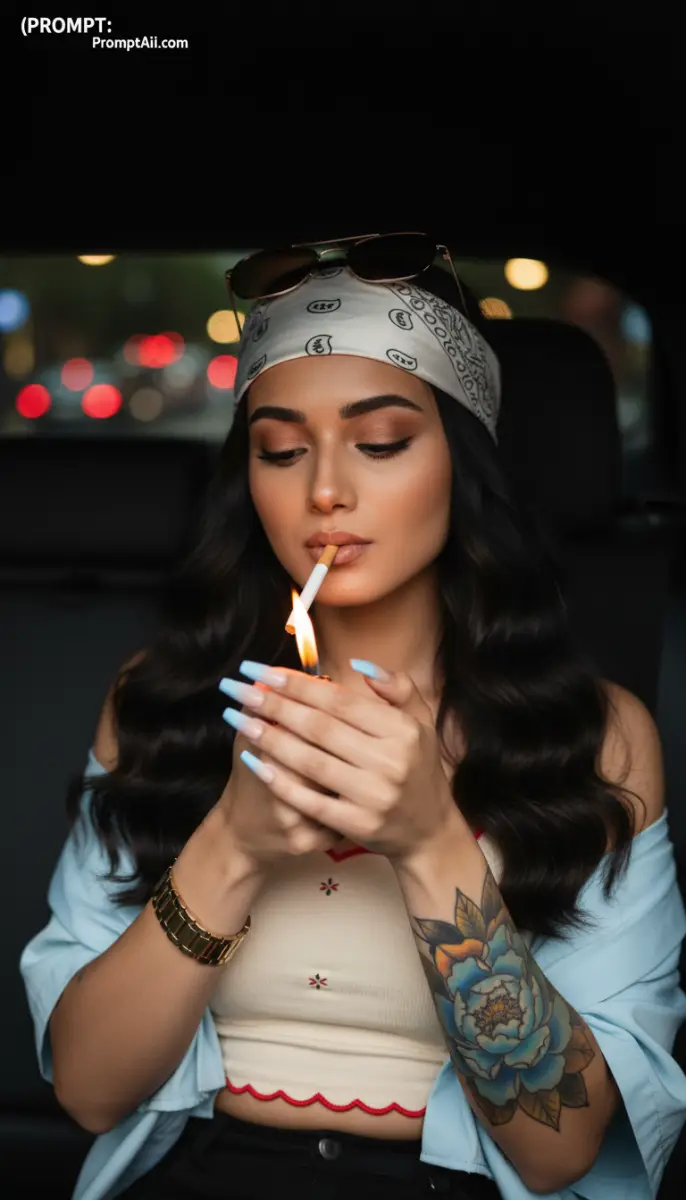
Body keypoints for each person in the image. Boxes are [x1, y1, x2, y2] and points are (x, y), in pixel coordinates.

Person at [19, 233, 686, 1200]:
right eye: (280, 450)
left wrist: (427, 841)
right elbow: (88, 1090)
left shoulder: (593, 733)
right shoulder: (161, 701)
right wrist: (236, 844)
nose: (324, 489)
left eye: (380, 443)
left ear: (460, 461)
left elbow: (559, 1150)